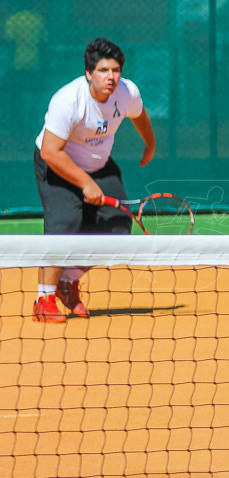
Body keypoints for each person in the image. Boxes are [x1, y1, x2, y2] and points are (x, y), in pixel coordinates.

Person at [31, 37, 156, 323]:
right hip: (58, 165)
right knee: (65, 226)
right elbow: (51, 151)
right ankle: (44, 297)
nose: (111, 77)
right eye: (103, 71)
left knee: (118, 229)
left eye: (115, 70)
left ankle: (68, 281)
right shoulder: (68, 100)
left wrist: (150, 145)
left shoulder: (127, 92)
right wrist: (85, 182)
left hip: (99, 165)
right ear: (89, 73)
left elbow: (140, 116)